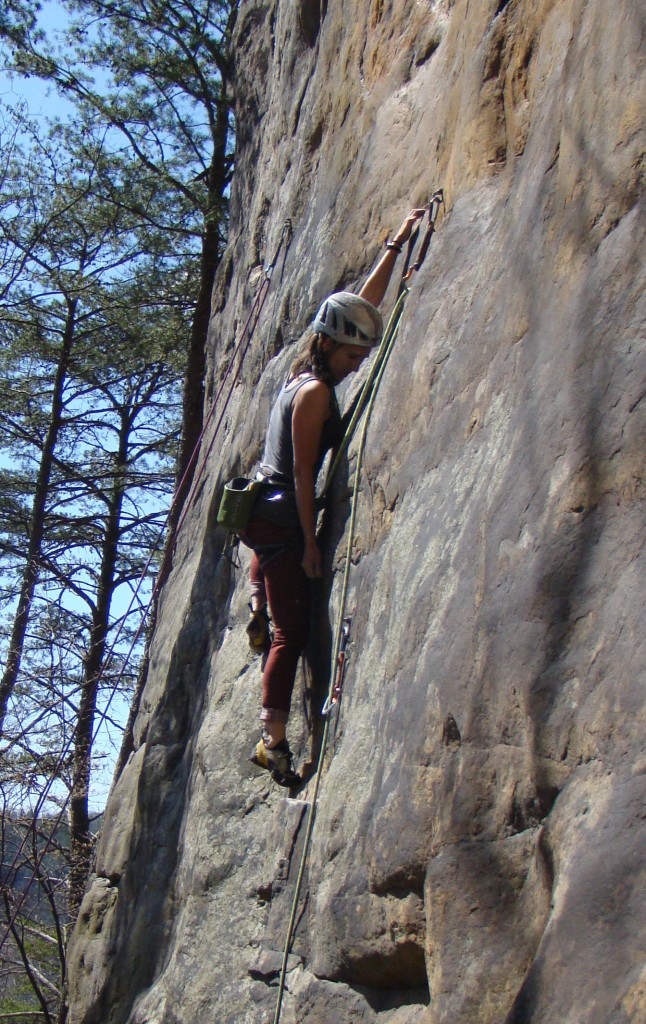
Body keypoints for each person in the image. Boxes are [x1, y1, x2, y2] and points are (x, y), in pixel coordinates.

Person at [243, 208, 426, 786]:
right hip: (278, 516)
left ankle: (258, 600)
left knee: (277, 608)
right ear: (332, 350)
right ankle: (271, 740)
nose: (360, 362)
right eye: (354, 356)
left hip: (263, 513)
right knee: (290, 635)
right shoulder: (316, 393)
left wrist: (395, 247)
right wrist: (310, 547)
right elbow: (302, 474)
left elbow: (359, 313)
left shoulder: (310, 362)